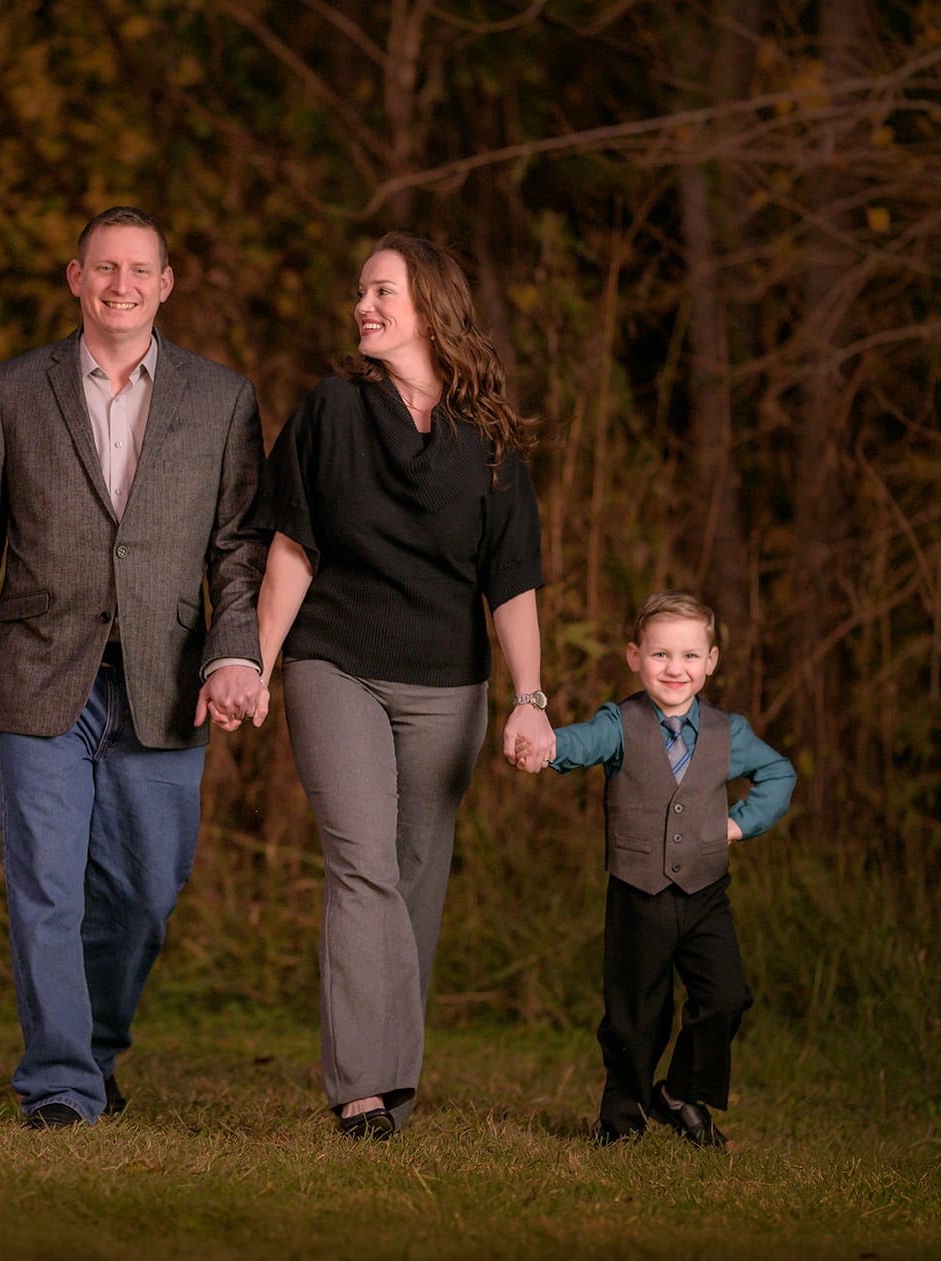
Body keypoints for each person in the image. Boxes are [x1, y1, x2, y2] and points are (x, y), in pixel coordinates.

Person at [0, 206, 268, 1129]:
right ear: (75, 278)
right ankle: (61, 1086)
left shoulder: (223, 399)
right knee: (45, 883)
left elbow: (240, 551)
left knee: (146, 890)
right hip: (39, 673)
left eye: (140, 270)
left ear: (166, 286)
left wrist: (236, 651)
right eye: (104, 268)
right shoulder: (10, 392)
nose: (122, 284)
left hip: (167, 680)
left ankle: (96, 1048)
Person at [248, 233, 553, 1139]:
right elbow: (292, 550)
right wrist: (256, 667)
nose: (363, 306)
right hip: (334, 660)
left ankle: (394, 1078)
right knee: (362, 862)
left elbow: (514, 581)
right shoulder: (331, 411)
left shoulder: (490, 438)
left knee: (417, 877)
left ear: (432, 304)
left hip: (448, 687)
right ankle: (362, 1089)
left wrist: (531, 697)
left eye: (382, 290)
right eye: (359, 292)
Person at [532, 590, 796, 1148]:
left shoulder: (729, 733)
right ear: (634, 656)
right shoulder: (620, 722)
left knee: (726, 994)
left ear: (711, 661)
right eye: (660, 655)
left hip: (705, 895)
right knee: (634, 1015)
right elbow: (580, 742)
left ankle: (679, 1091)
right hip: (638, 894)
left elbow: (779, 773)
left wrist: (738, 824)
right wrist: (546, 744)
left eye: (689, 656)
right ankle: (621, 1121)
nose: (675, 668)